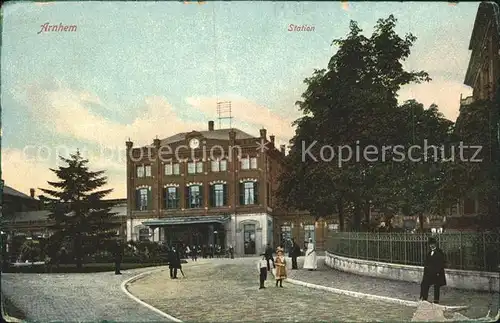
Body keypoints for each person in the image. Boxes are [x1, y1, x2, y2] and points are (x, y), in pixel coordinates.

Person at [420, 237, 446, 304]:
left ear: (435, 244)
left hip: (437, 273)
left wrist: (437, 272)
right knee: (424, 284)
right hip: (429, 273)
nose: (431, 245)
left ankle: (436, 300)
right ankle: (424, 298)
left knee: (436, 286)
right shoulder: (429, 253)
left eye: (433, 244)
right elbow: (426, 262)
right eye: (430, 244)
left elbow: (441, 263)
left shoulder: (439, 252)